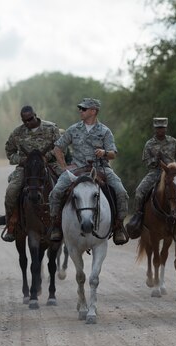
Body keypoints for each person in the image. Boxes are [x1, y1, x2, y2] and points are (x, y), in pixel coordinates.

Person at [49, 98, 129, 245]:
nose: (81, 111)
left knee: (121, 192)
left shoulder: (105, 131)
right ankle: (55, 226)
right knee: (55, 192)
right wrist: (65, 167)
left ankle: (118, 226)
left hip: (101, 168)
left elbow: (113, 153)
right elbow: (57, 149)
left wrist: (104, 152)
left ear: (93, 111)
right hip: (77, 169)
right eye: (80, 108)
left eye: (84, 109)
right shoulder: (73, 129)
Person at [125, 117, 176, 239]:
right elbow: (147, 162)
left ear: (166, 128)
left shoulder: (173, 142)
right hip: (156, 172)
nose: (160, 130)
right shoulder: (149, 143)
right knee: (139, 191)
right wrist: (155, 159)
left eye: (162, 128)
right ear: (155, 128)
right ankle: (138, 217)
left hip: (173, 172)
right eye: (158, 128)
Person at [2, 105, 63, 242]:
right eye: (25, 121)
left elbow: (60, 147)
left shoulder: (51, 128)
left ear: (35, 115)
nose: (28, 123)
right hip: (25, 168)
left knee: (69, 185)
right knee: (11, 191)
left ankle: (66, 222)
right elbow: (9, 152)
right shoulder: (17, 133)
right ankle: (11, 225)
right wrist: (22, 160)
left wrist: (47, 157)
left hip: (50, 163)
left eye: (30, 119)